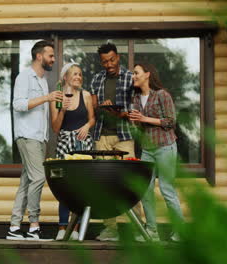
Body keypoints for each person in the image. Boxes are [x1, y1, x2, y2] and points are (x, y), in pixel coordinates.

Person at [6, 40, 63, 241]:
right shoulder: (24, 77)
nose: (53, 59)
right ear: (39, 56)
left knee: (27, 181)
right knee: (39, 178)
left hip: (40, 138)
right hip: (27, 135)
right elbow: (18, 105)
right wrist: (46, 98)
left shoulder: (43, 80)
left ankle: (14, 227)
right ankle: (34, 226)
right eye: (50, 55)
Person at [90, 43, 143, 242]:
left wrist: (122, 112)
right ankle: (110, 229)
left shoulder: (130, 77)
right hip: (101, 136)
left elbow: (137, 106)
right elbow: (93, 108)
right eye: (105, 61)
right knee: (105, 183)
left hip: (124, 136)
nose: (109, 64)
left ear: (118, 57)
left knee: (130, 181)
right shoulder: (97, 79)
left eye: (112, 60)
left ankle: (138, 228)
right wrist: (101, 107)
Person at [128, 63, 184, 242]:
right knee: (145, 190)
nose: (133, 76)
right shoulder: (136, 98)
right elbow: (139, 125)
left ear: (147, 75)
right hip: (147, 149)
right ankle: (152, 231)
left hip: (165, 146)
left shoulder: (162, 95)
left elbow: (170, 121)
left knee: (167, 190)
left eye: (136, 73)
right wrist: (134, 121)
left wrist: (144, 118)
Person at [50, 63, 95, 240]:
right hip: (64, 144)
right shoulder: (57, 98)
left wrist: (86, 125)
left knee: (82, 188)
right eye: (74, 74)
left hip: (83, 144)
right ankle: (62, 228)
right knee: (65, 187)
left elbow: (92, 119)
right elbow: (55, 127)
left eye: (80, 74)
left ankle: (76, 229)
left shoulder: (86, 96)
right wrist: (62, 109)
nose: (78, 77)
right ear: (65, 78)